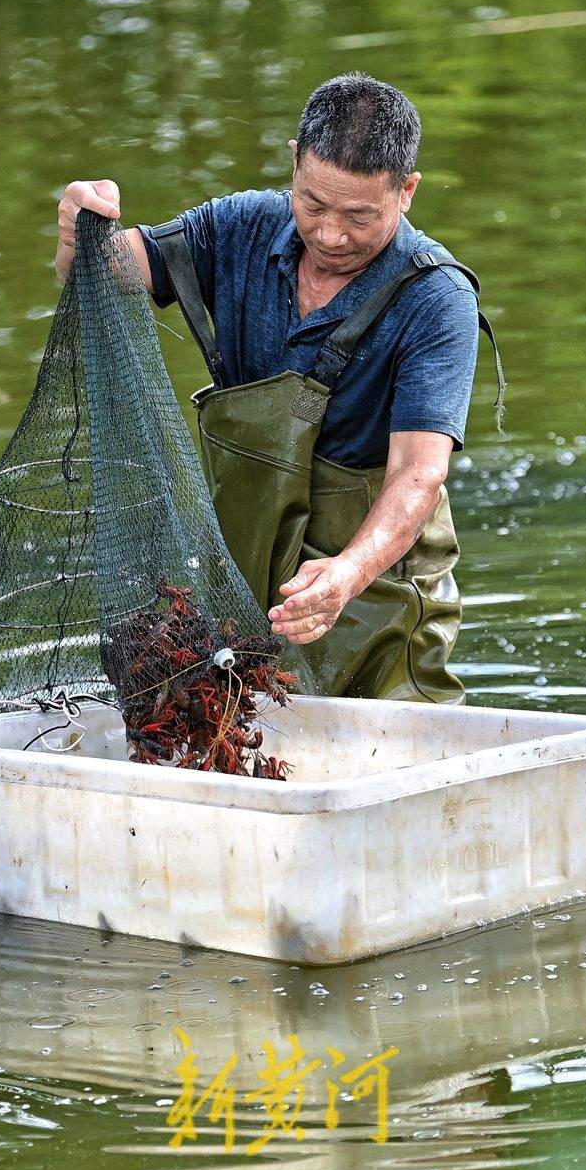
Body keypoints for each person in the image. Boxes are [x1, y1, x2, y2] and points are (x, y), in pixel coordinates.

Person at [53, 72, 502, 702]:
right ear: (294, 161)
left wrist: (346, 574)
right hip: (242, 561)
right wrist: (84, 232)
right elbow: (109, 270)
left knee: (379, 746)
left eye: (359, 216)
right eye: (313, 204)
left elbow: (417, 475)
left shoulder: (436, 298)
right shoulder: (240, 228)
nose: (331, 235)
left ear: (407, 192)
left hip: (371, 582)